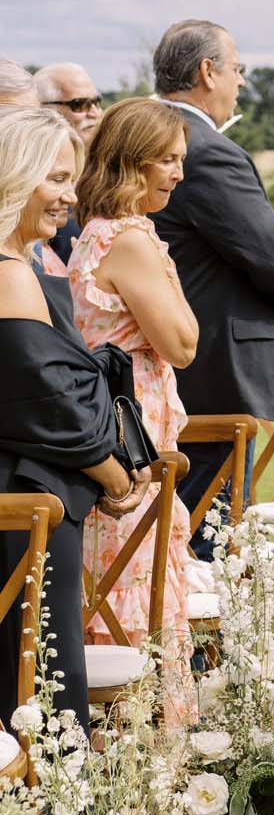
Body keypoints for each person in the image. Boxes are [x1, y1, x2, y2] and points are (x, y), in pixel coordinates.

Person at [0, 109, 147, 735]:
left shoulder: (24, 264)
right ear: (16, 175)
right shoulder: (9, 276)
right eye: (57, 178)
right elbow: (48, 402)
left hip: (37, 492)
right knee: (39, 675)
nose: (70, 195)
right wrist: (113, 474)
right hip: (23, 498)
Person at [69, 100, 199, 726]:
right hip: (133, 441)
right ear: (132, 161)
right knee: (137, 587)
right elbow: (182, 343)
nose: (177, 173)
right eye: (168, 160)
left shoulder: (95, 232)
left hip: (115, 431)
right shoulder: (128, 238)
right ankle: (147, 749)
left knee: (116, 579)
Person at [149, 20, 274, 557]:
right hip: (215, 376)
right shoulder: (204, 150)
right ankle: (200, 645)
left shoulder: (147, 133)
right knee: (209, 543)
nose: (240, 83)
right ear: (208, 72)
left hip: (181, 371)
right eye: (237, 70)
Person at [34, 63, 104, 266]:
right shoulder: (32, 173)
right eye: (80, 104)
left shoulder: (103, 169)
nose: (93, 112)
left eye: (96, 102)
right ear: (45, 108)